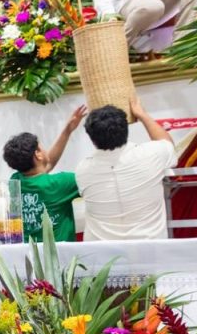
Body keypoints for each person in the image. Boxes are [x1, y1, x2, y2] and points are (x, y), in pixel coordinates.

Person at [75, 96, 177, 241]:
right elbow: (167, 143)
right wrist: (142, 115)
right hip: (151, 248)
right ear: (126, 129)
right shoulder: (152, 154)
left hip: (102, 252)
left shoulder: (83, 170)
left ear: (92, 139)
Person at [3, 105, 88, 242]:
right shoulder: (62, 183)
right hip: (60, 254)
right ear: (38, 154)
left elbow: (46, 166)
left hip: (28, 253)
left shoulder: (15, 181)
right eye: (41, 147)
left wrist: (67, 130)